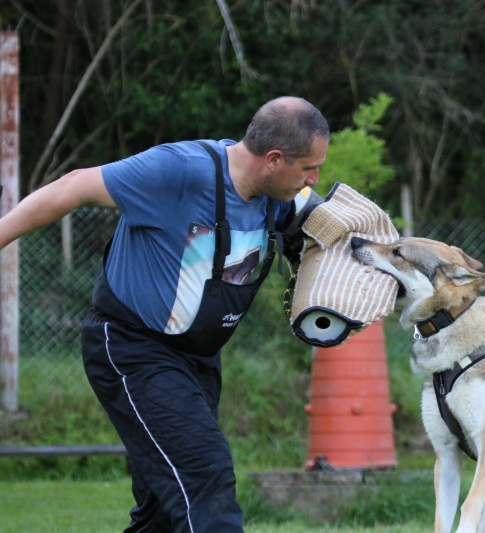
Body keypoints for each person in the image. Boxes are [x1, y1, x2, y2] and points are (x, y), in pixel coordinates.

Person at [0, 96, 330, 532]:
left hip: (198, 360)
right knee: (205, 478)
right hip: (133, 348)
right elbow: (72, 186)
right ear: (273, 160)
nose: (315, 178)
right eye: (309, 167)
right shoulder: (179, 171)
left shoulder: (282, 198)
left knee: (162, 510)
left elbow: (331, 229)